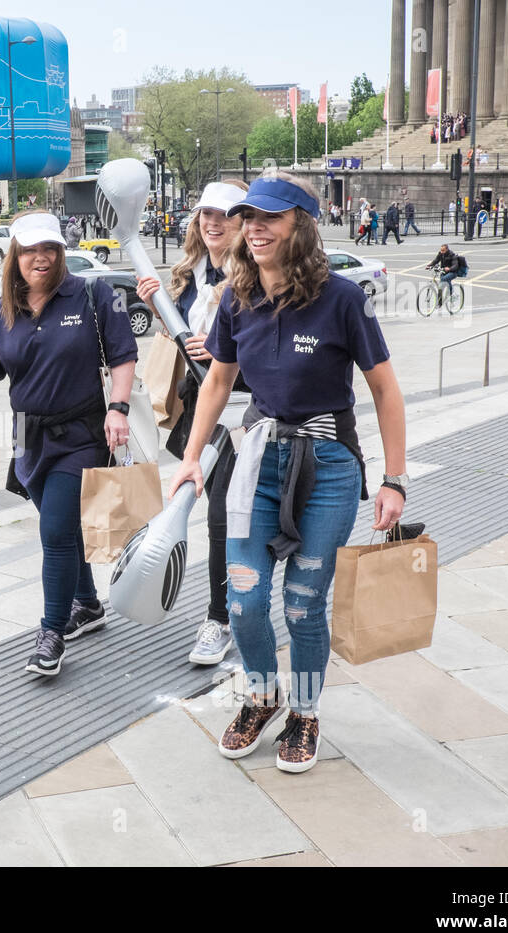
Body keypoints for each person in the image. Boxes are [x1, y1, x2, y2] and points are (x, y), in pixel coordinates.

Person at [169, 172, 406, 772]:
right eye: (250, 218)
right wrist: (192, 457)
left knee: (302, 603)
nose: (254, 228)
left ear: (300, 225)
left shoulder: (342, 298)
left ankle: (304, 711)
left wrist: (393, 477)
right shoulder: (234, 297)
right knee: (243, 599)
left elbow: (385, 390)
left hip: (327, 465)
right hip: (257, 460)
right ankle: (262, 696)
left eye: (270, 218)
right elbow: (219, 381)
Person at [0, 211, 137, 677]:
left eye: (49, 248)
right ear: (15, 255)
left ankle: (51, 633)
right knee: (67, 529)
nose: (42, 258)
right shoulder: (3, 309)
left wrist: (119, 407)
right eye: (31, 250)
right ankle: (88, 605)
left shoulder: (92, 295)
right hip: (28, 439)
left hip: (82, 434)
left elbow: (123, 355)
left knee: (54, 533)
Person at [135, 180, 248, 666]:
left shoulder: (254, 276)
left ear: (244, 221)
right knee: (221, 515)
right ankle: (227, 611)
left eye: (224, 215)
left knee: (229, 517)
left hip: (245, 413)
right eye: (206, 214)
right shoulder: (189, 273)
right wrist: (155, 307)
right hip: (199, 413)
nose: (213, 223)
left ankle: (222, 617)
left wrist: (224, 349)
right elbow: (177, 338)